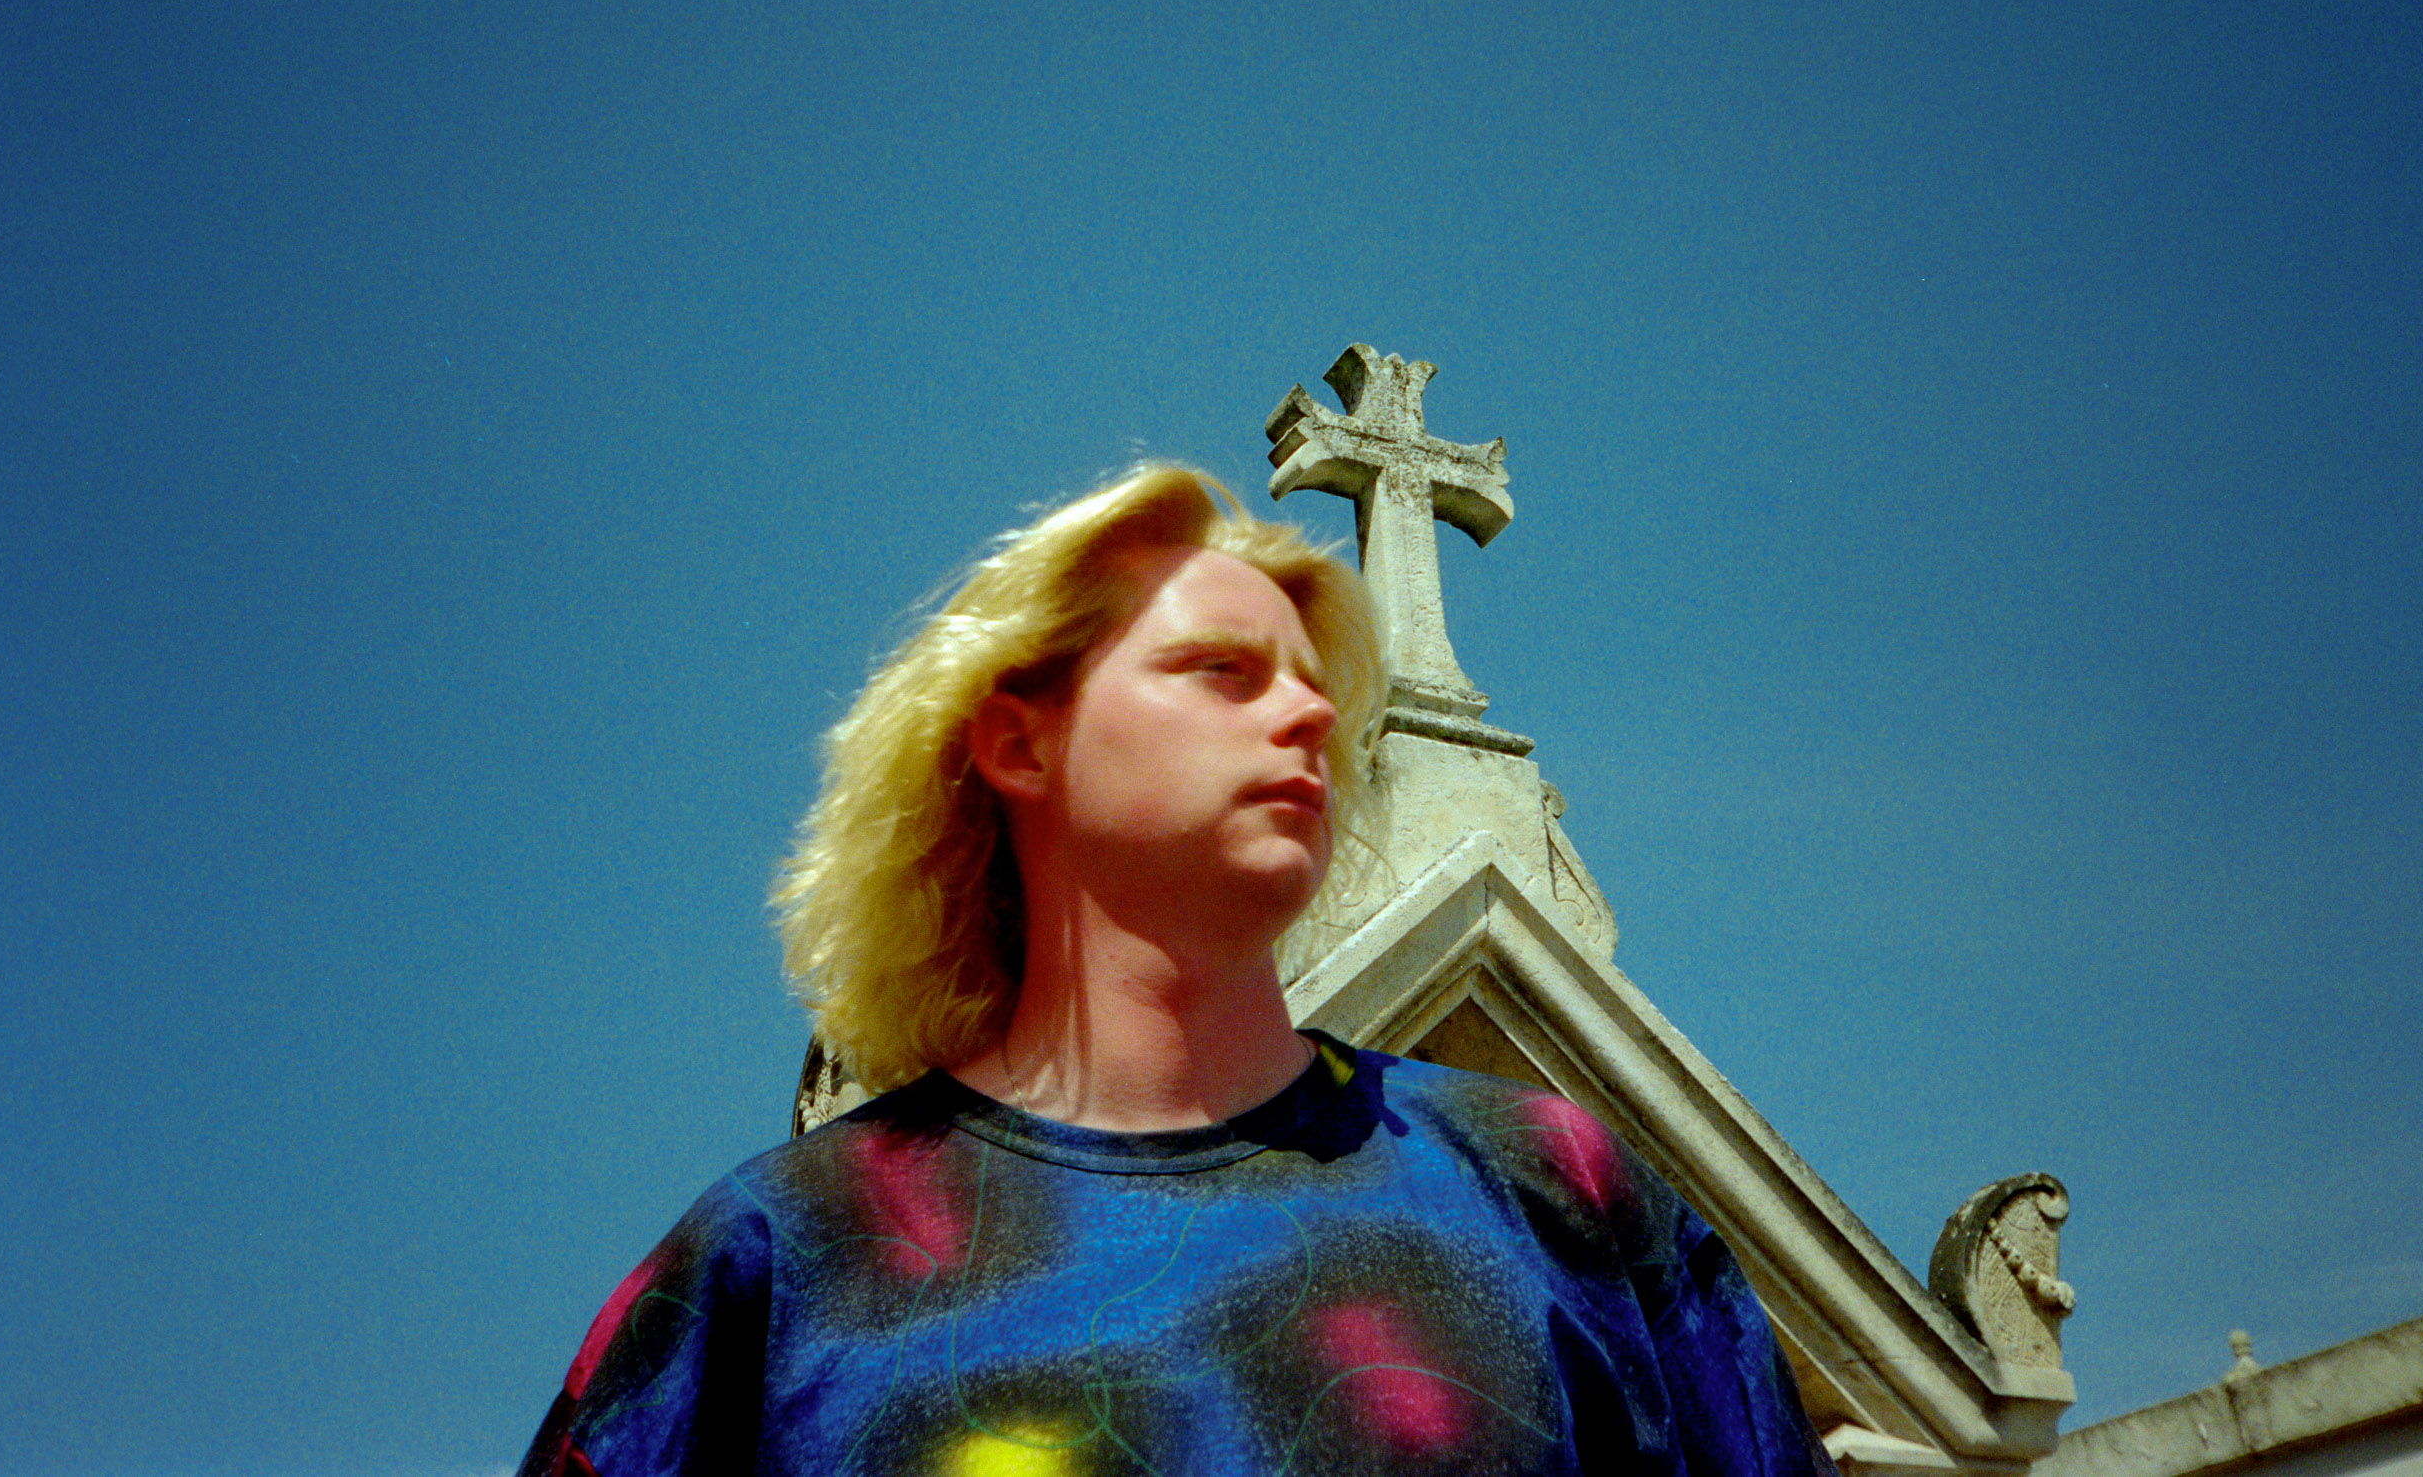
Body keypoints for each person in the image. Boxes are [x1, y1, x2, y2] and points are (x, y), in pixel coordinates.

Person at [518, 463, 1832, 1477]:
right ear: (1019, 747)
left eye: (1316, 683)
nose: (1310, 712)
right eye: (1223, 673)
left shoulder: (1559, 1192)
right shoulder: (783, 1260)